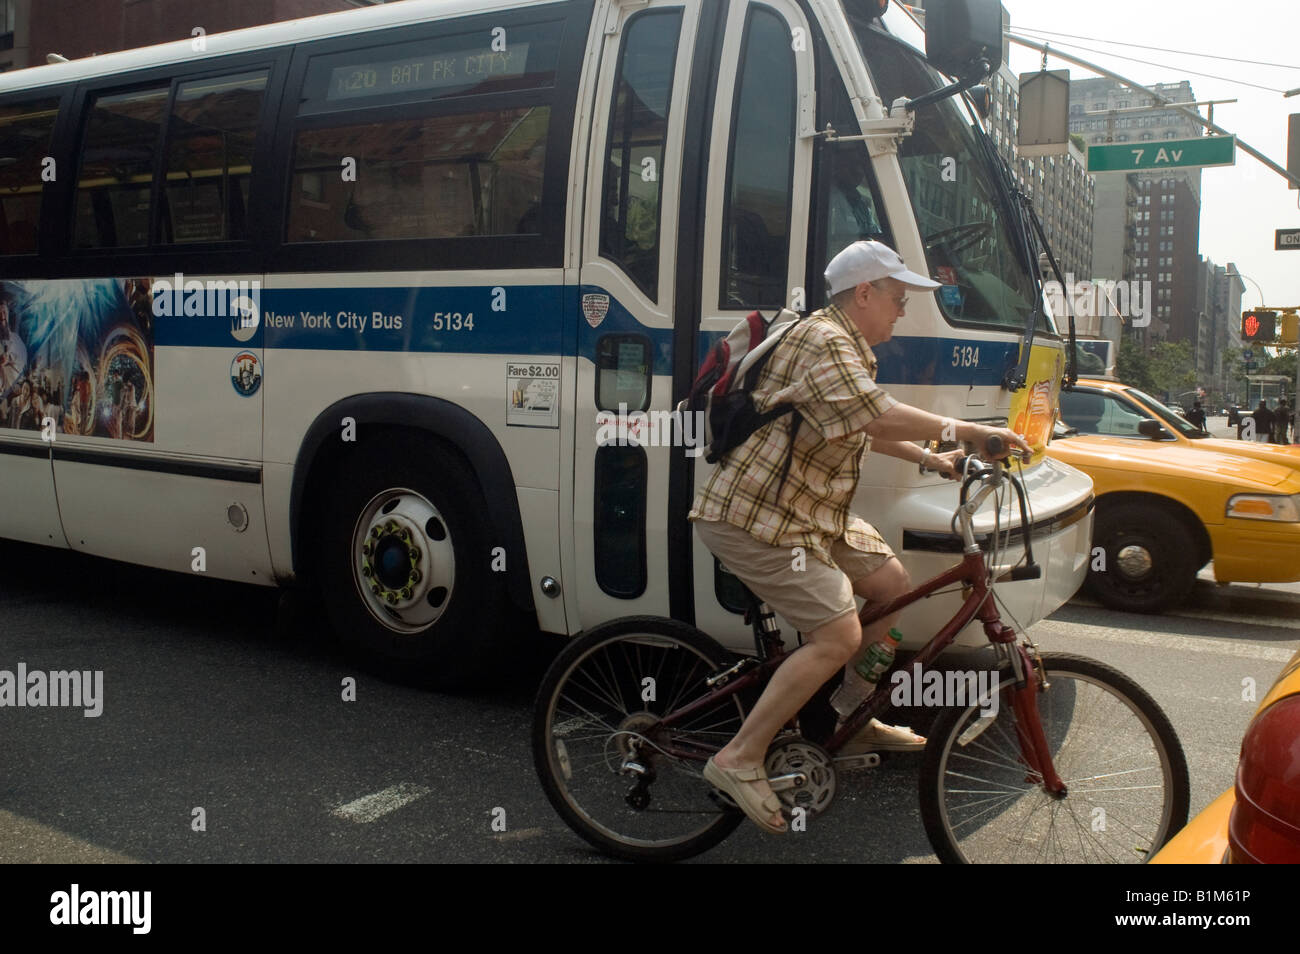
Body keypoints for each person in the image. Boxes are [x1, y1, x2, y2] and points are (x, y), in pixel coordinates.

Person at [689, 240, 1029, 834]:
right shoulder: (824, 341)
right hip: (756, 517)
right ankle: (738, 757)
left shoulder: (846, 347)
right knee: (838, 633)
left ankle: (849, 714)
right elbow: (871, 413)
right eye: (897, 299)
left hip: (807, 513)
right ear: (864, 294)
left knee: (891, 582)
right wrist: (964, 429)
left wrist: (937, 459)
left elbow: (855, 421)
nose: (902, 311)